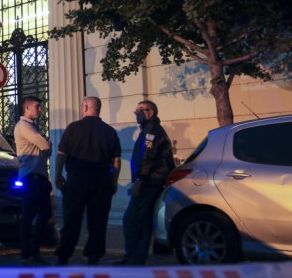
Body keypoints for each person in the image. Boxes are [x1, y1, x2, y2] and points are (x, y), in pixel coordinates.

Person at [54, 96, 121, 265]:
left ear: (85, 107)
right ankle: (94, 255)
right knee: (98, 221)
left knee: (71, 219)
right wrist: (114, 181)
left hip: (76, 179)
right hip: (101, 180)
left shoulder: (73, 129)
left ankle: (64, 253)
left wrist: (58, 175)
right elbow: (117, 161)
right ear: (98, 108)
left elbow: (61, 155)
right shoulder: (109, 131)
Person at [120, 100, 175, 265]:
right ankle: (136, 257)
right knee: (143, 222)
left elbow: (147, 158)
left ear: (150, 112)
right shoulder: (148, 130)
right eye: (136, 110)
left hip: (149, 183)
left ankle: (133, 257)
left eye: (140, 110)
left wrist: (140, 182)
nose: (136, 113)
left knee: (130, 220)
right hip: (150, 182)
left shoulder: (151, 131)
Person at [13, 96, 53, 265]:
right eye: (37, 106)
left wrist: (46, 147)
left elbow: (47, 150)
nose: (40, 110)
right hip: (32, 177)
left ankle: (31, 252)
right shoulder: (24, 126)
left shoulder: (31, 127)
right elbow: (45, 146)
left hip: (38, 177)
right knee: (31, 216)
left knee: (40, 214)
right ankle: (28, 252)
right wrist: (45, 146)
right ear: (27, 107)